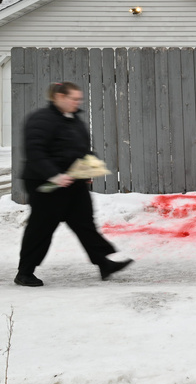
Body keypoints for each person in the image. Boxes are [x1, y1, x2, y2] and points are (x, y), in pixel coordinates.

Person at [14, 82, 132, 287]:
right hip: (44, 184)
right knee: (41, 227)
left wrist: (88, 168)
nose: (78, 102)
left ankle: (104, 263)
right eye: (74, 98)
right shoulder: (40, 119)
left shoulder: (73, 119)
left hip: (73, 181)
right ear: (59, 97)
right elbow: (35, 152)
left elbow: (82, 148)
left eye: (79, 99)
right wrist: (54, 175)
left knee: (84, 222)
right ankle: (24, 272)